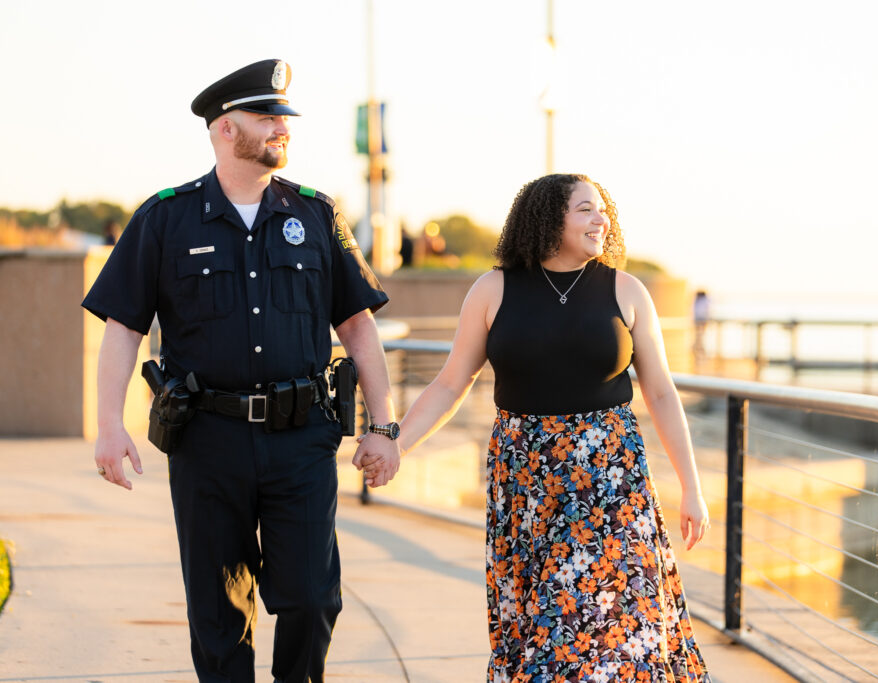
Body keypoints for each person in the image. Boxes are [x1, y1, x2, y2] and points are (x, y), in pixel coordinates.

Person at [82, 59, 402, 682]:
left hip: (301, 437)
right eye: (267, 117)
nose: (282, 128)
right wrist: (108, 425)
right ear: (225, 129)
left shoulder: (315, 215)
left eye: (285, 117)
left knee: (311, 598)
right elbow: (123, 327)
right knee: (218, 612)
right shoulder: (165, 217)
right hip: (207, 441)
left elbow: (358, 326)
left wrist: (383, 428)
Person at [356, 173, 711, 681]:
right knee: (538, 627)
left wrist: (691, 490)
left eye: (602, 209)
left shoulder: (626, 291)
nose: (600, 219)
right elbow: (450, 384)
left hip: (611, 483)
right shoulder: (493, 289)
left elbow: (660, 393)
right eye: (585, 209)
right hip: (527, 485)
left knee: (611, 632)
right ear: (549, 218)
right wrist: (396, 444)